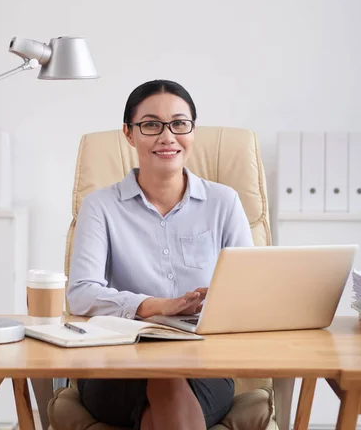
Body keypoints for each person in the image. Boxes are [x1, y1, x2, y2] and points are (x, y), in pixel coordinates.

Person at [67, 79, 254, 430]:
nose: (168, 137)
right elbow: (81, 294)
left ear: (192, 130)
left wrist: (220, 302)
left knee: (168, 384)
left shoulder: (223, 202)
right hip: (116, 363)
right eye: (151, 125)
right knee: (165, 378)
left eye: (179, 124)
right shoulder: (100, 207)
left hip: (204, 363)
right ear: (129, 133)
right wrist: (153, 305)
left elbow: (250, 288)